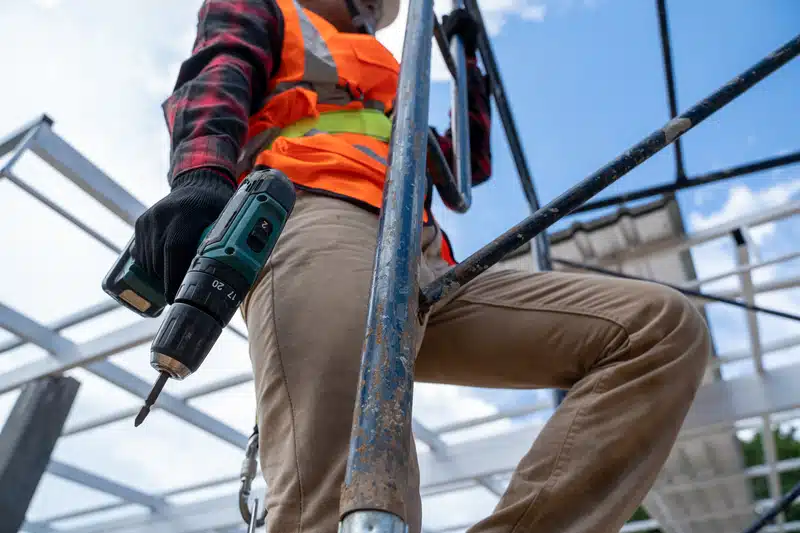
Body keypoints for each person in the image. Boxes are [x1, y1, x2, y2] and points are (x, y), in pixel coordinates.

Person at [132, 1, 711, 532]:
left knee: (656, 331)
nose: (367, 6)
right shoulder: (273, 9)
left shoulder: (389, 69)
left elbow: (465, 164)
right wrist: (201, 178)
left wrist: (469, 75)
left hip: (422, 255)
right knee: (351, 489)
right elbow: (218, 73)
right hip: (316, 210)